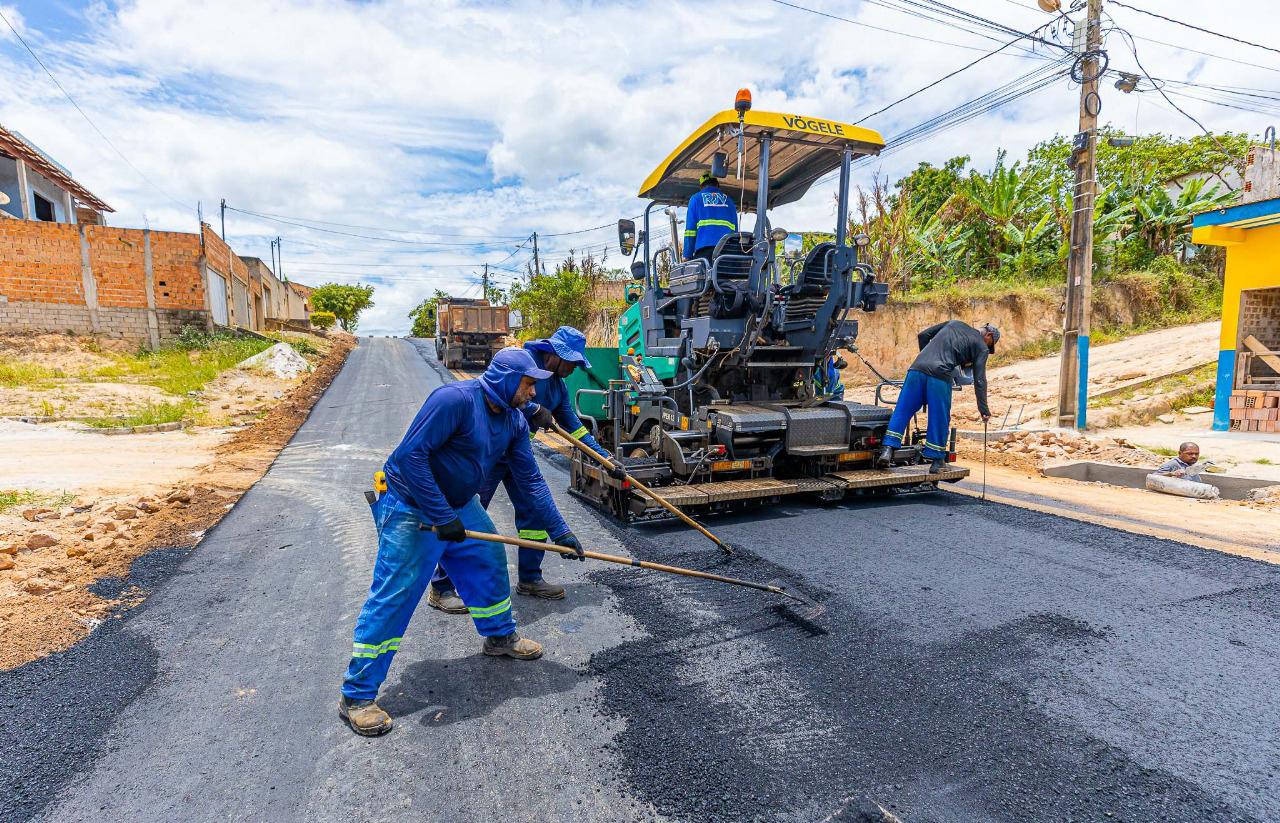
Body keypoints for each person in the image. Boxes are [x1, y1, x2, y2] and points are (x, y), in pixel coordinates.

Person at [339, 347, 584, 737]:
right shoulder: (453, 400)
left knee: (486, 558)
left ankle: (499, 637)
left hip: (457, 504)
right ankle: (357, 696)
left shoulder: (514, 423)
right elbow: (411, 457)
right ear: (505, 379)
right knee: (396, 593)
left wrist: (562, 532)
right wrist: (441, 516)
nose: (535, 394)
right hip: (409, 504)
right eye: (528, 384)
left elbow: (532, 481)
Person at [428, 326, 623, 610]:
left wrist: (604, 458)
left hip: (518, 455)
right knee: (467, 516)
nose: (574, 368)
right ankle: (442, 587)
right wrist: (531, 410)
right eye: (573, 362)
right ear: (556, 355)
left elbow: (574, 428)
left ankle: (530, 578)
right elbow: (494, 394)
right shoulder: (521, 362)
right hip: (489, 455)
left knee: (533, 516)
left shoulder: (557, 386)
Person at [876, 321, 999, 473]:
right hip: (940, 376)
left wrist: (927, 358)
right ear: (988, 335)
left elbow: (923, 335)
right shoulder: (981, 347)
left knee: (902, 411)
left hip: (917, 369)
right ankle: (937, 461)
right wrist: (984, 409)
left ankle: (887, 450)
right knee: (939, 418)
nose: (988, 347)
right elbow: (979, 380)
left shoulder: (954, 323)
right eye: (990, 344)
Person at [683, 172, 738, 263]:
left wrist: (687, 255)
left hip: (705, 254)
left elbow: (690, 231)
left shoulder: (696, 199)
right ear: (717, 185)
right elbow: (735, 232)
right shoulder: (729, 201)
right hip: (728, 253)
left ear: (701, 186)